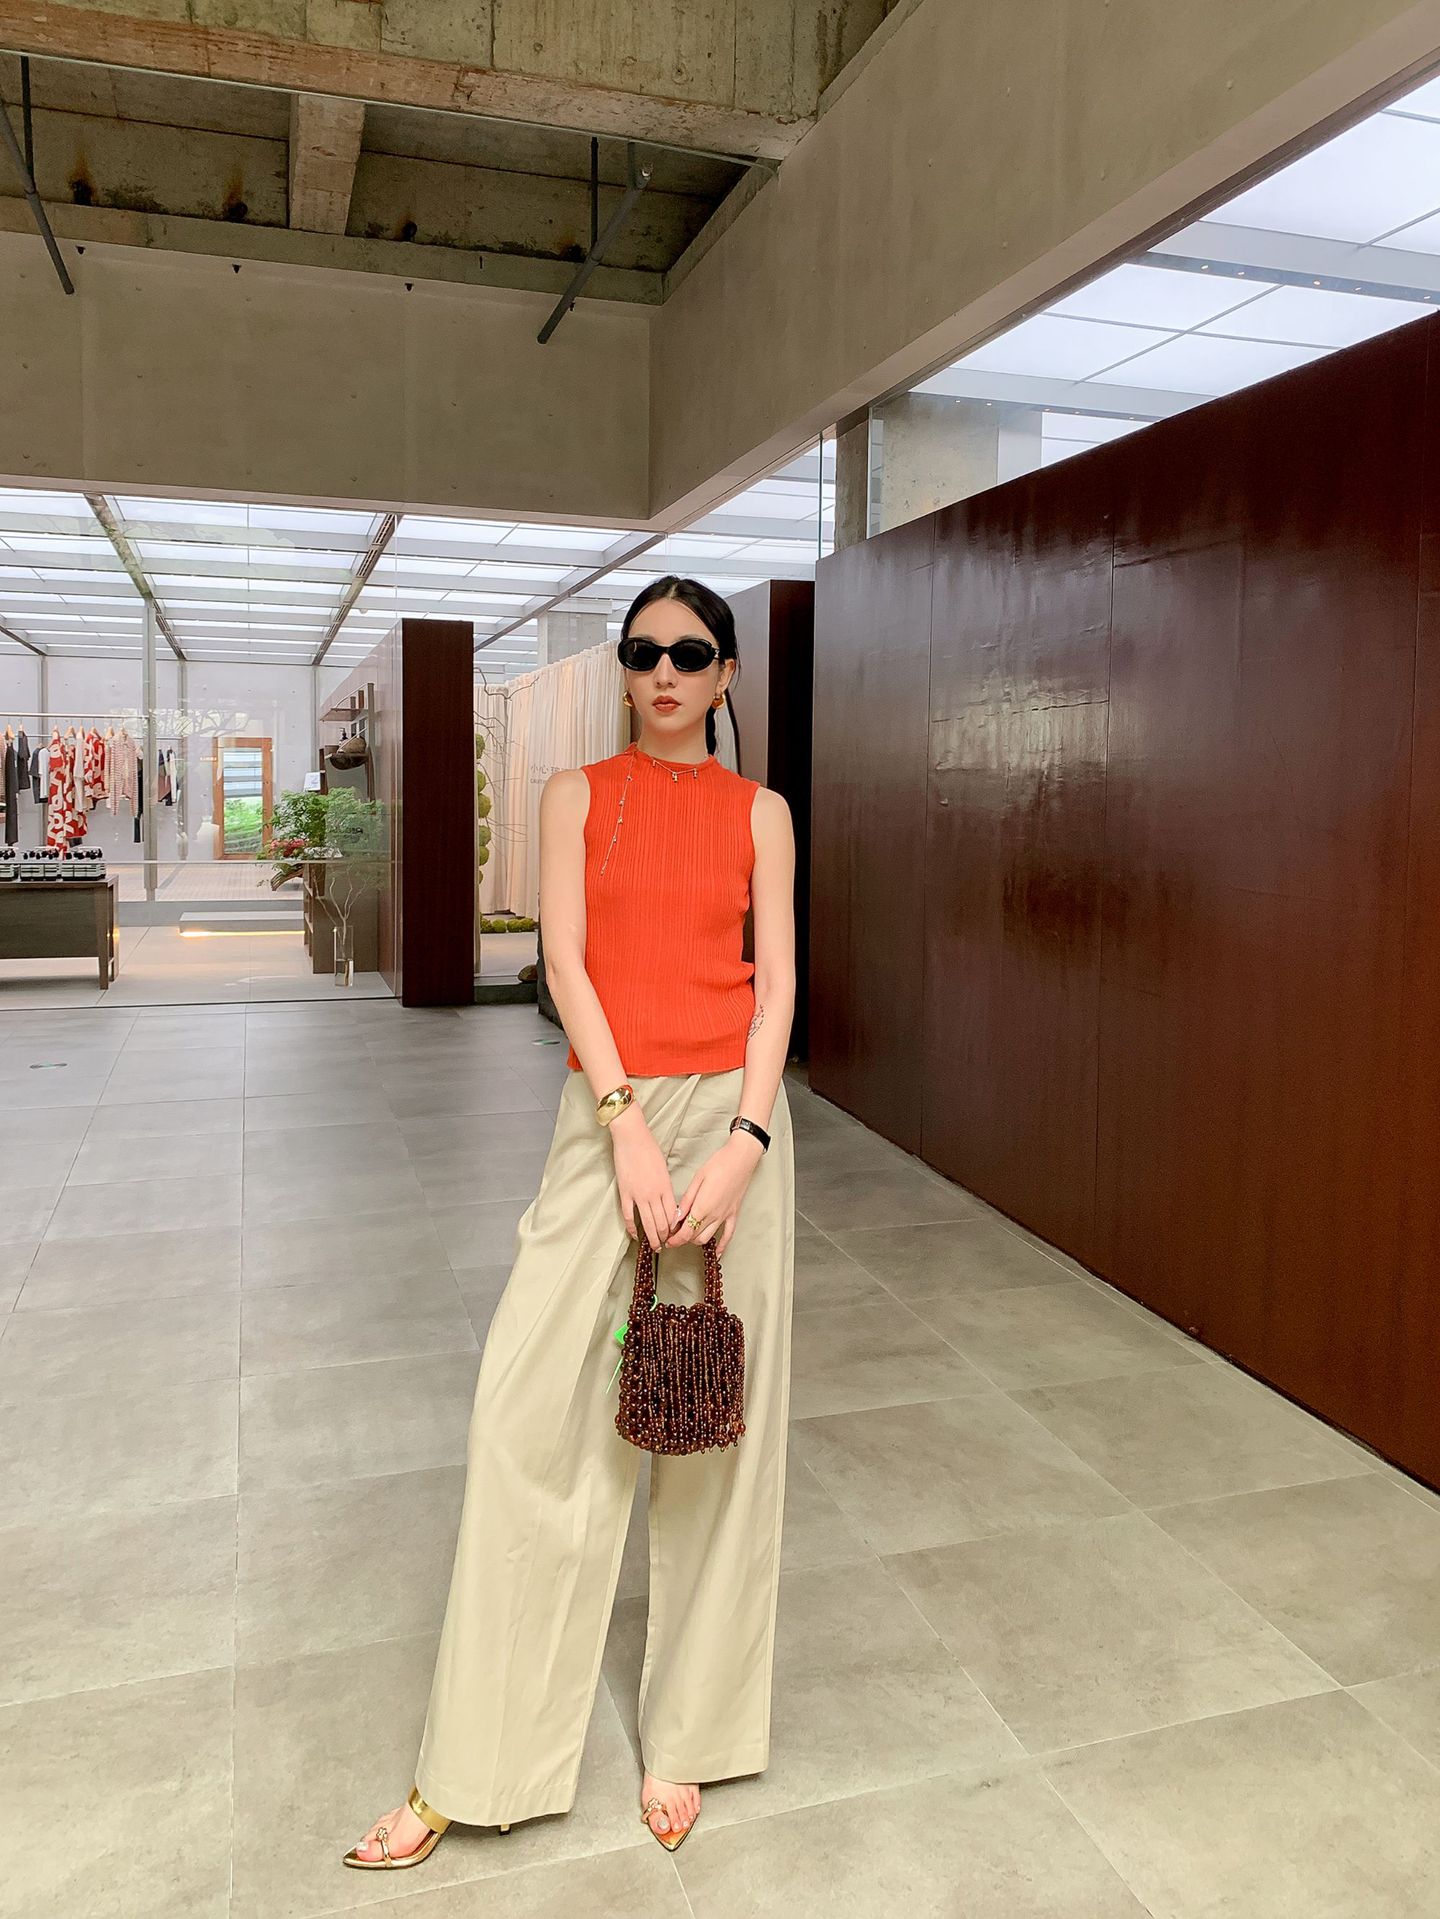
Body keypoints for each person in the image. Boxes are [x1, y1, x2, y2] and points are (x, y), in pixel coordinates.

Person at [347, 575, 798, 1870]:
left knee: (717, 1433)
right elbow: (566, 962)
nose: (665, 673)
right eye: (644, 651)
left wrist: (748, 1143)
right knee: (525, 1413)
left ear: (725, 675)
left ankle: (691, 1738)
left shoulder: (761, 813)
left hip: (738, 1120)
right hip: (609, 1112)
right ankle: (474, 1764)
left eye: (692, 654)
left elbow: (776, 990)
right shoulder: (575, 795)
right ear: (625, 668)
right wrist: (625, 1122)